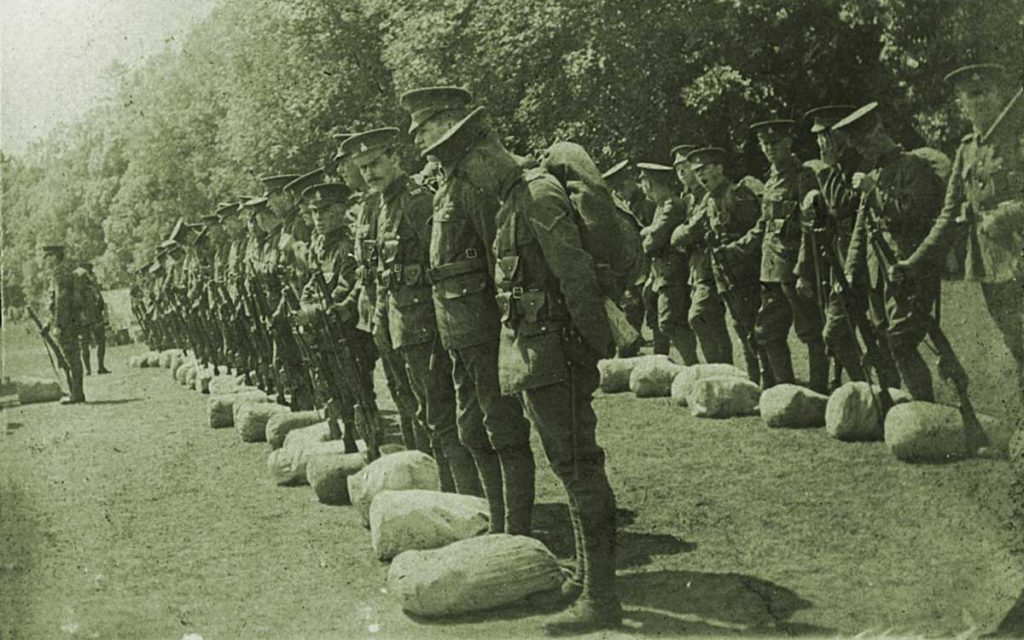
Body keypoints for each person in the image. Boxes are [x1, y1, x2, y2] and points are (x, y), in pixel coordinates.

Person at [425, 107, 620, 632]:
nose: (464, 179)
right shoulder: (512, 198)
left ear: (486, 148)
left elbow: (575, 275)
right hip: (539, 355)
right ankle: (584, 577)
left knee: (580, 470)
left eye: (465, 164)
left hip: (559, 355)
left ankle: (602, 599)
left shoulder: (536, 194)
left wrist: (591, 348)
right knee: (570, 466)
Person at [400, 86, 534, 534]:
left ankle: (516, 531)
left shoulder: (475, 184)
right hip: (456, 332)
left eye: (424, 128)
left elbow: (504, 261)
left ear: (449, 125)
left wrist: (509, 330)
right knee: (471, 429)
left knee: (502, 428)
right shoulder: (448, 185)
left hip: (485, 330)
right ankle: (496, 523)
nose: (416, 138)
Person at [341, 127, 482, 496]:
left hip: (424, 325)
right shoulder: (374, 205)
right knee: (413, 410)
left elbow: (439, 260)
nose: (370, 173)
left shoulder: (417, 200)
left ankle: (461, 495)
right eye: (363, 167)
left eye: (376, 163)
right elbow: (373, 273)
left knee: (439, 414)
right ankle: (430, 489)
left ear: (396, 158)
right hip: (391, 325)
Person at [897, 63, 1024, 397]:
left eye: (986, 92)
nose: (979, 101)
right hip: (991, 265)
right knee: (1016, 344)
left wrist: (1005, 216)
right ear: (961, 104)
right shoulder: (965, 150)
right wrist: (915, 262)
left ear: (1001, 96)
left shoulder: (1018, 143)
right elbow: (948, 215)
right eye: (971, 95)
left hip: (1020, 257)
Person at [834, 102, 946, 401]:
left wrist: (874, 191)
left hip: (908, 267)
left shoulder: (912, 166)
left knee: (901, 341)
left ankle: (926, 409)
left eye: (865, 142)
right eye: (857, 146)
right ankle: (902, 407)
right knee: (885, 339)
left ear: (880, 131)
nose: (863, 150)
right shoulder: (876, 171)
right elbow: (861, 226)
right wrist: (848, 269)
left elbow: (915, 212)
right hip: (878, 272)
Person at [726, 119, 826, 391]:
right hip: (770, 270)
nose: (769, 148)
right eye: (764, 144)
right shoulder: (770, 180)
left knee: (810, 331)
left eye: (774, 143)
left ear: (788, 142)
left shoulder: (803, 176)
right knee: (767, 331)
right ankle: (787, 391)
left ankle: (819, 390)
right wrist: (738, 248)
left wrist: (804, 269)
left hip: (794, 268)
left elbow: (809, 227)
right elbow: (764, 225)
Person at [675, 146, 768, 383]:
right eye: (697, 171)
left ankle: (767, 381)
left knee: (756, 331)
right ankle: (751, 381)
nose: (701, 176)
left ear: (719, 168)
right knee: (741, 330)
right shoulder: (710, 201)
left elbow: (759, 232)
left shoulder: (737, 194)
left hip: (747, 275)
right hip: (725, 276)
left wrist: (735, 251)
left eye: (705, 169)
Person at [638, 162, 700, 364]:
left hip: (671, 274)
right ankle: (663, 366)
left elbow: (653, 240)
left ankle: (692, 365)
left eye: (644, 181)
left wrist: (646, 234)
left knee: (670, 322)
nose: (643, 187)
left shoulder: (671, 205)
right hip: (660, 274)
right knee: (659, 323)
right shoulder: (660, 206)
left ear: (649, 183)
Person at [604, 160, 666, 355]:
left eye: (622, 186)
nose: (620, 192)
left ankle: (661, 357)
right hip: (632, 270)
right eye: (616, 189)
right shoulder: (622, 204)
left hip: (650, 267)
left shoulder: (648, 202)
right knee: (632, 313)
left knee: (655, 317)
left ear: (631, 181)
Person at [42, 244, 86, 404]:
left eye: (47, 257)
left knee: (71, 357)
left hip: (66, 323)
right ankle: (76, 391)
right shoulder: (62, 273)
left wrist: (58, 324)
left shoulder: (60, 274)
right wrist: (49, 322)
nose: (45, 261)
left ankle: (76, 393)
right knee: (71, 357)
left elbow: (62, 302)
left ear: (54, 257)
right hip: (67, 322)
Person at [75, 262, 110, 375]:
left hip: (95, 319)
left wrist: (103, 316)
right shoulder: (75, 293)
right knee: (85, 346)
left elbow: (101, 303)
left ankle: (100, 366)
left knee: (101, 342)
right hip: (84, 322)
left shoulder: (92, 289)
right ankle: (88, 369)